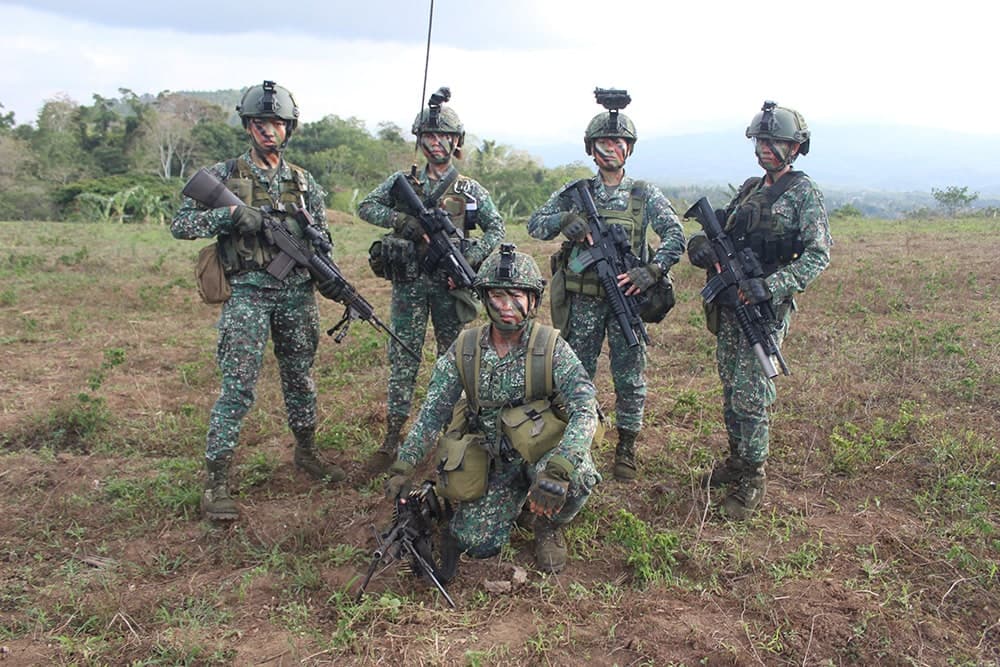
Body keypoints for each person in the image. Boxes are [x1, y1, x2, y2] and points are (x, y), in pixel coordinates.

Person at [171, 80, 347, 522]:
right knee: (238, 386)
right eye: (260, 123)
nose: (269, 131)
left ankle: (306, 452)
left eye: (277, 124)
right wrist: (230, 215)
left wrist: (327, 274)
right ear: (248, 126)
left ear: (289, 128)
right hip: (247, 294)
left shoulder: (303, 183)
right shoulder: (224, 174)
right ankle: (216, 482)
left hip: (296, 294)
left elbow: (322, 239)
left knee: (300, 378)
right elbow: (181, 224)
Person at [384, 246, 600, 574]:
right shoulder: (466, 348)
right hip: (493, 461)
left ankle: (547, 524)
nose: (507, 306)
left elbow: (585, 408)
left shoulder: (551, 347)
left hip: (544, 451)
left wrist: (560, 467)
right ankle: (516, 501)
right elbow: (432, 412)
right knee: (476, 544)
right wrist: (405, 464)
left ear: (533, 300)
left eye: (517, 295)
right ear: (485, 299)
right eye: (498, 295)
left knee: (579, 476)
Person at [527, 90, 685, 482]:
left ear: (629, 149)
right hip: (583, 303)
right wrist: (564, 221)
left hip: (626, 299)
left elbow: (675, 235)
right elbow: (535, 224)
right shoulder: (575, 192)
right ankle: (574, 440)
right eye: (603, 142)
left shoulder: (643, 194)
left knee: (630, 375)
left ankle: (626, 445)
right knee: (575, 373)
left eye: (618, 142)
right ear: (591, 149)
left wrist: (653, 270)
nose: (610, 148)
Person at [688, 100, 832, 520]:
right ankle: (737, 460)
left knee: (752, 395)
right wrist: (701, 247)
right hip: (731, 303)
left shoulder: (804, 193)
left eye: (775, 142)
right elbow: (725, 234)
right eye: (761, 141)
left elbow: (818, 255)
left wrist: (769, 286)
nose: (765, 148)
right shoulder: (751, 188)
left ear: (796, 147)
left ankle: (753, 476)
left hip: (763, 308)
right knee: (731, 387)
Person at [358, 88, 505, 470]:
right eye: (429, 135)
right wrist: (400, 220)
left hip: (448, 286)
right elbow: (366, 206)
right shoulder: (404, 182)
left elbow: (496, 228)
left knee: (453, 361)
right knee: (402, 359)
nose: (436, 142)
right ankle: (392, 439)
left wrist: (470, 256)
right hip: (409, 284)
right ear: (420, 140)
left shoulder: (469, 189)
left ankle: (450, 437)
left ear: (456, 142)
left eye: (444, 136)